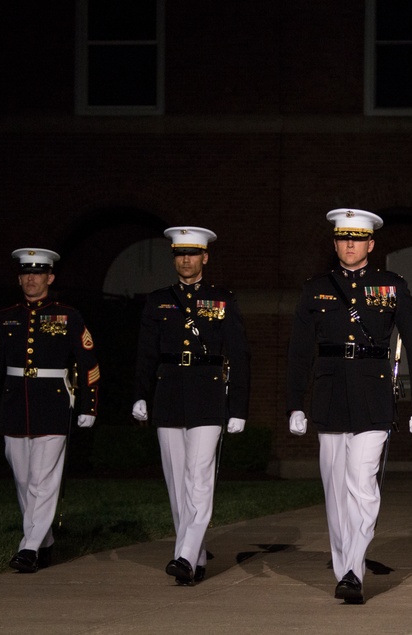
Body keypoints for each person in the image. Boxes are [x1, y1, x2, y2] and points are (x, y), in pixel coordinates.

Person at [286, 208, 412, 604]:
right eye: (342, 238)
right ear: (335, 243)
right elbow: (299, 351)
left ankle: (353, 570)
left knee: (362, 485)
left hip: (372, 394)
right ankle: (345, 568)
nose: (349, 245)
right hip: (330, 394)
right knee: (335, 492)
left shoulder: (391, 286)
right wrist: (293, 403)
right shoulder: (315, 288)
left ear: (371, 244)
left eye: (356, 238)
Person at [132, 226, 251, 586]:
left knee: (198, 478)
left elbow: (241, 356)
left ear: (205, 257)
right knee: (176, 481)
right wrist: (140, 393)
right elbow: (145, 353)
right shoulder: (157, 301)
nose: (186, 259)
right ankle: (194, 556)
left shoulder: (222, 299)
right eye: (179, 254)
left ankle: (183, 555)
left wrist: (239, 407)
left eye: (192, 253)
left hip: (208, 394)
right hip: (168, 393)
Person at [0, 248, 101, 573]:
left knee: (42, 480)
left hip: (53, 403)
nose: (32, 278)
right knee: (23, 479)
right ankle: (43, 543)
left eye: (38, 273)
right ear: (19, 278)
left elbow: (89, 364)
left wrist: (89, 404)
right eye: (26, 273)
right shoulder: (4, 317)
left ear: (50, 277)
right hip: (14, 404)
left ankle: (28, 548)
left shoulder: (68, 316)